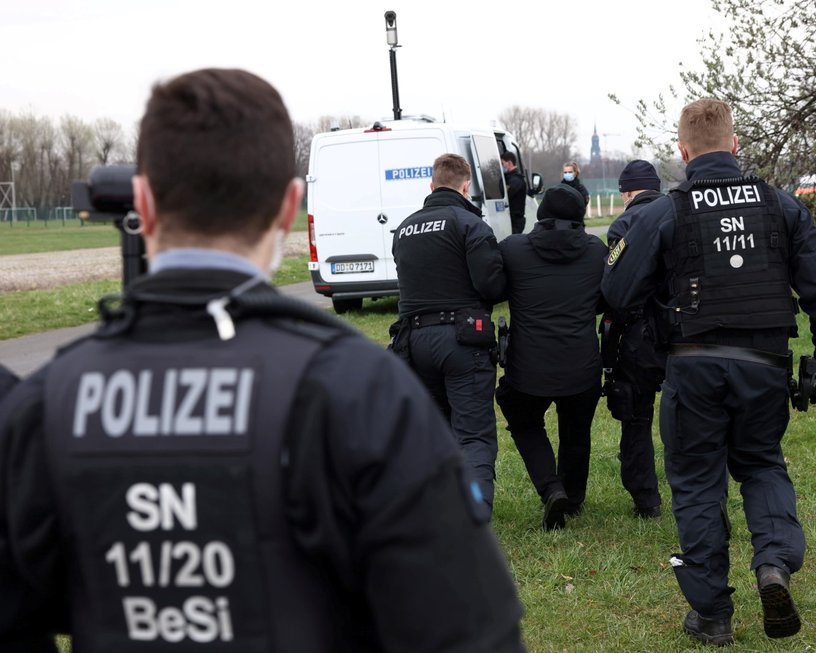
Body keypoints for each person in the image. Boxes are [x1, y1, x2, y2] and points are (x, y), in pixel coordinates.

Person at [0, 68, 525, 653]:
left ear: (142, 203)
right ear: (287, 207)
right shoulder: (360, 391)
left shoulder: (42, 406)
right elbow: (471, 629)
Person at [602, 99, 816, 646]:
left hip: (691, 368)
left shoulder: (666, 212)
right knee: (761, 464)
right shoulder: (782, 206)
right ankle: (774, 565)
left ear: (683, 152)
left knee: (695, 482)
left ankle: (712, 614)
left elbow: (616, 292)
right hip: (764, 367)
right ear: (735, 147)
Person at [391, 152, 507, 514]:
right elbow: (491, 286)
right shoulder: (469, 224)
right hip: (461, 342)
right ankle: (474, 516)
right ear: (466, 185)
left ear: (432, 184)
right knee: (472, 433)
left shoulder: (406, 228)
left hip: (413, 342)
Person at [495, 185, 607, 530]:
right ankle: (570, 498)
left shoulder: (513, 249)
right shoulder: (595, 251)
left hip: (528, 368)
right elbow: (605, 300)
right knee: (576, 429)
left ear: (541, 215)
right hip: (582, 366)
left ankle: (551, 488)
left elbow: (494, 288)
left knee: (524, 420)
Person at [600, 160, 667, 520]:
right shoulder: (678, 212)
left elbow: (613, 288)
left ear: (626, 192)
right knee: (689, 416)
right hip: (685, 333)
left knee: (636, 416)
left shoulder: (624, 224)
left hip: (639, 334)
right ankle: (702, 497)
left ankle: (647, 501)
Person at [501, 151, 527, 235]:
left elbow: (506, 195)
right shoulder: (510, 178)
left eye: (502, 163)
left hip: (515, 222)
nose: (501, 166)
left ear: (509, 163)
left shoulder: (516, 180)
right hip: (511, 220)